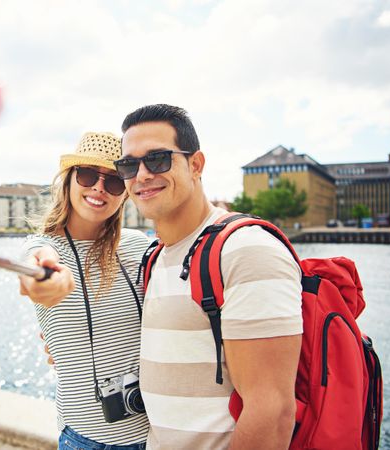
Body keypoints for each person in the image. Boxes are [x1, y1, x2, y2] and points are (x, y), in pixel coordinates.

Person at [115, 104, 303, 450]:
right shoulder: (157, 256)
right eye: (128, 165)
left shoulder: (246, 250)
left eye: (157, 159)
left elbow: (272, 412)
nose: (140, 175)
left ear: (196, 164)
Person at [19, 132, 151, 450]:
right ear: (68, 180)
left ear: (126, 194)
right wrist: (45, 280)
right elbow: (35, 266)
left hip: (155, 435)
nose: (99, 188)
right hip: (85, 439)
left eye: (114, 181)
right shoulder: (43, 246)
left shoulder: (140, 246)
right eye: (88, 175)